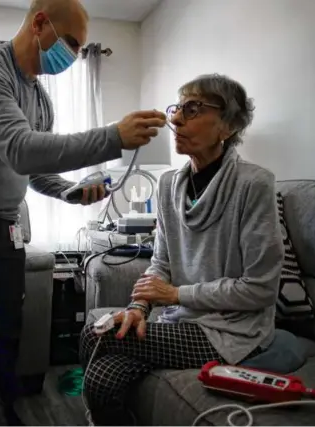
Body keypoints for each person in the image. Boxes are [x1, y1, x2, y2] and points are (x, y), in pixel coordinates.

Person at [0, 0, 167, 424]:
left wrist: (69, 191)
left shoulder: (40, 99)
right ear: (40, 23)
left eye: (81, 50)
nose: (73, 56)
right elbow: (20, 148)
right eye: (71, 44)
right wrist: (112, 136)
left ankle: (4, 411)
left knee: (6, 329)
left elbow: (30, 167)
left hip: (3, 223)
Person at [79, 74, 284, 425]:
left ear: (228, 125)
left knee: (95, 331)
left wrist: (176, 294)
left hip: (229, 332)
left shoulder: (253, 184)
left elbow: (261, 288)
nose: (174, 119)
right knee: (102, 379)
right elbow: (161, 261)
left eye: (193, 109)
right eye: (178, 108)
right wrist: (138, 307)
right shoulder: (168, 184)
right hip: (181, 321)